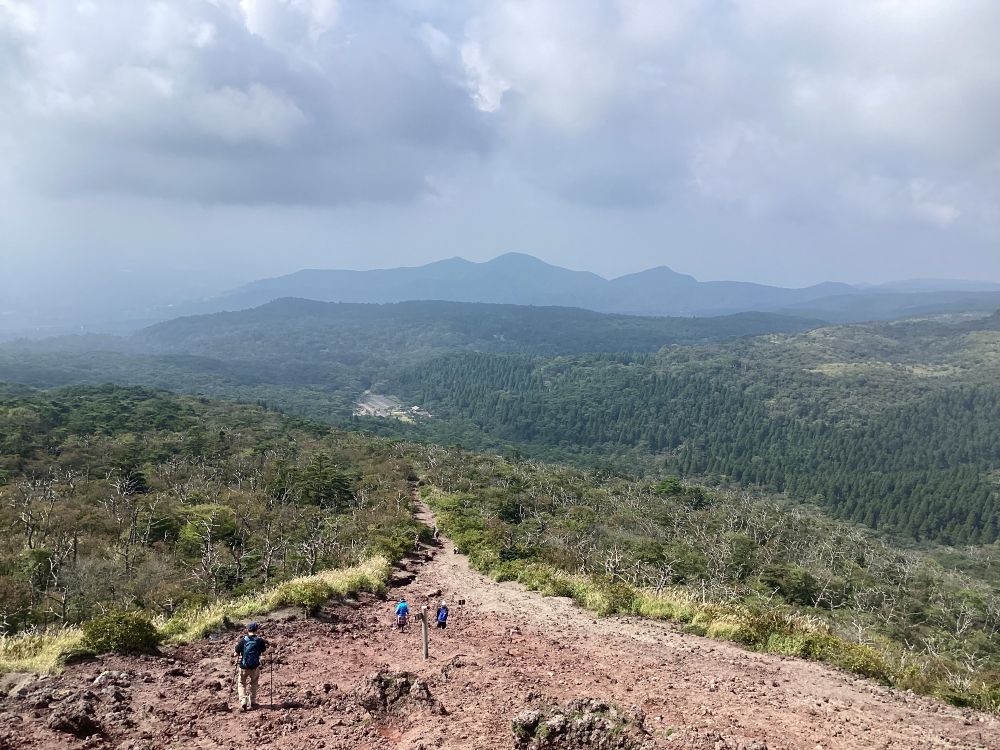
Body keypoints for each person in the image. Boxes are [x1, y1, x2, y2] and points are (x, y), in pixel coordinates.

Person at [234, 622, 268, 710]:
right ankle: (252, 701)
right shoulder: (259, 641)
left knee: (241, 683)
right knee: (254, 683)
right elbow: (264, 653)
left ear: (248, 630)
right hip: (255, 667)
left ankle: (243, 701)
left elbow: (235, 654)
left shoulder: (243, 640)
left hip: (244, 667)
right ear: (256, 630)